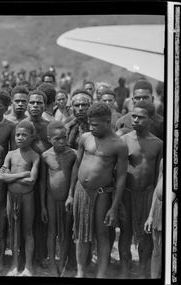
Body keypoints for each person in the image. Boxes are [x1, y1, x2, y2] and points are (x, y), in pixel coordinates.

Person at [65, 102, 128, 278]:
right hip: (81, 191)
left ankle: (101, 274)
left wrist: (114, 207)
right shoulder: (85, 137)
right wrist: (70, 194)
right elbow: (77, 165)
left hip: (102, 194)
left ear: (108, 122)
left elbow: (121, 177)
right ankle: (80, 272)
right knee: (81, 233)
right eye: (90, 124)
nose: (92, 127)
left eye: (96, 124)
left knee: (102, 234)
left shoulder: (118, 144)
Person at [119, 101, 163, 278]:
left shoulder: (158, 144)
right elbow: (119, 174)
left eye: (140, 117)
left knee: (146, 235)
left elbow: (158, 176)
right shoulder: (124, 140)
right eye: (133, 116)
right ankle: (124, 268)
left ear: (150, 119)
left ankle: (143, 269)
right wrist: (119, 200)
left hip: (148, 193)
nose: (135, 120)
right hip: (127, 194)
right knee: (125, 232)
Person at [0, 121, 40, 276]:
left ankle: (28, 266)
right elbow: (2, 177)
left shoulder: (35, 156)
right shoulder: (10, 154)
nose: (20, 137)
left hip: (27, 197)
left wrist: (10, 177)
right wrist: (23, 174)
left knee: (27, 231)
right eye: (18, 135)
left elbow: (32, 181)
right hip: (12, 196)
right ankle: (15, 265)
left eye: (24, 135)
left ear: (31, 137)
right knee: (13, 230)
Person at [20, 90, 51, 268]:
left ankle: (40, 256)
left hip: (45, 178)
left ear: (44, 105)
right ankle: (23, 256)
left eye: (39, 103)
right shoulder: (20, 125)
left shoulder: (50, 126)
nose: (35, 106)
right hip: (24, 177)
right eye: (32, 103)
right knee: (24, 219)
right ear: (27, 104)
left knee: (42, 217)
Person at [41, 121, 77, 276]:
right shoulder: (45, 156)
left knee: (65, 232)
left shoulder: (72, 154)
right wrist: (42, 205)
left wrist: (70, 196)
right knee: (52, 231)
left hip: (67, 200)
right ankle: (52, 263)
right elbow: (43, 182)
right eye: (57, 139)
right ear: (49, 139)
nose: (62, 141)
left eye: (64, 137)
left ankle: (62, 262)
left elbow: (74, 179)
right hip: (50, 199)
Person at [144, 158, 163, 279]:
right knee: (157, 251)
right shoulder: (164, 161)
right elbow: (157, 188)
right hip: (158, 209)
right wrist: (150, 215)